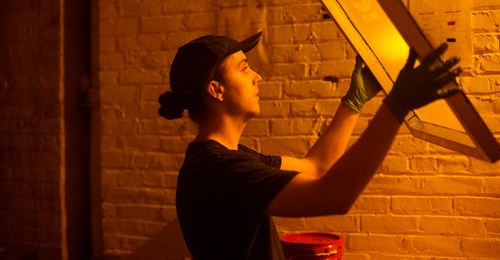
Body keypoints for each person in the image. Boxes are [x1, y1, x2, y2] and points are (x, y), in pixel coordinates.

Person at [158, 31, 461, 259]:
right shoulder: (219, 170)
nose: (257, 77)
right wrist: (396, 106)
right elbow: (333, 195)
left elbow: (317, 167)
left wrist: (353, 102)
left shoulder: (231, 158)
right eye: (244, 68)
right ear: (216, 89)